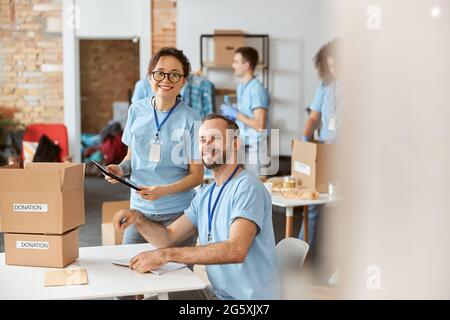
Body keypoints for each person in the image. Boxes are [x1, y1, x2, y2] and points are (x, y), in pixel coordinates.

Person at [113, 114, 280, 300]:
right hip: (217, 294)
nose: (207, 145)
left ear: (235, 144)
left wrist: (166, 255)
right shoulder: (206, 193)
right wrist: (138, 217)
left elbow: (236, 249)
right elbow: (168, 237)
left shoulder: (247, 188)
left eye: (215, 138)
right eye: (202, 139)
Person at [105, 47, 204, 247]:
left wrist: (163, 191)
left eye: (174, 75)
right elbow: (130, 159)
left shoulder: (192, 119)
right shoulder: (136, 110)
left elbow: (197, 176)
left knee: (177, 276)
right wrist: (120, 170)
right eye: (159, 73)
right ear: (150, 77)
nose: (166, 80)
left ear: (184, 81)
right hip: (138, 212)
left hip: (178, 215)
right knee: (132, 271)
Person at [299, 39, 342, 258]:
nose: (335, 70)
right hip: (323, 151)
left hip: (345, 154)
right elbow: (314, 116)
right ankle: (301, 255)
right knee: (312, 203)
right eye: (331, 65)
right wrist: (304, 138)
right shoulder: (326, 85)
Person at [220, 46, 270, 177]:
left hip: (256, 147)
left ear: (246, 65)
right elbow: (246, 116)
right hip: (244, 144)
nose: (233, 65)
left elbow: (260, 125)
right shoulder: (241, 88)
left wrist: (236, 113)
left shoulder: (257, 90)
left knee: (256, 185)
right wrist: (233, 114)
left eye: (236, 62)